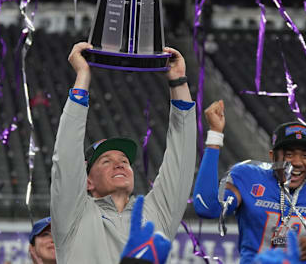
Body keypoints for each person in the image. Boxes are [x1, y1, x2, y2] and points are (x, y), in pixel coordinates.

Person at [50, 42, 196, 264]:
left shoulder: (156, 212)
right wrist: (83, 76)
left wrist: (178, 82)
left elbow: (181, 159)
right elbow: (66, 158)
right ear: (87, 181)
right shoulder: (73, 216)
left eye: (124, 161)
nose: (119, 164)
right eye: (106, 161)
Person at [193, 100, 306, 264]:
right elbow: (206, 207)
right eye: (289, 155)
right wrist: (215, 135)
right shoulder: (247, 177)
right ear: (272, 156)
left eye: (305, 155)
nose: (298, 162)